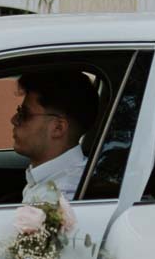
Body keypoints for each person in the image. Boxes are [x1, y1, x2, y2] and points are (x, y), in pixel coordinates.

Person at [10, 70, 98, 202]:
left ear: (58, 128)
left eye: (25, 114)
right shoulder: (53, 179)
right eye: (19, 111)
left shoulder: (62, 196)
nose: (14, 119)